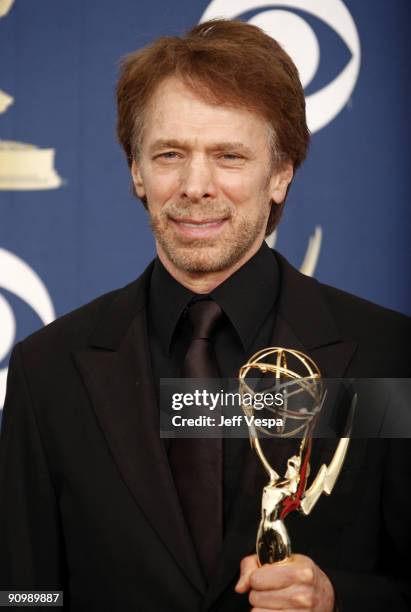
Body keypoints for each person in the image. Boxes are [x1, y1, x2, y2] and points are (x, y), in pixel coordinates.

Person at [0, 19, 410, 612]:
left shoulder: (385, 357)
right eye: (169, 154)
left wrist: (336, 599)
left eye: (229, 155)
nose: (195, 186)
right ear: (136, 170)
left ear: (281, 173)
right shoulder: (50, 369)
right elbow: (23, 591)